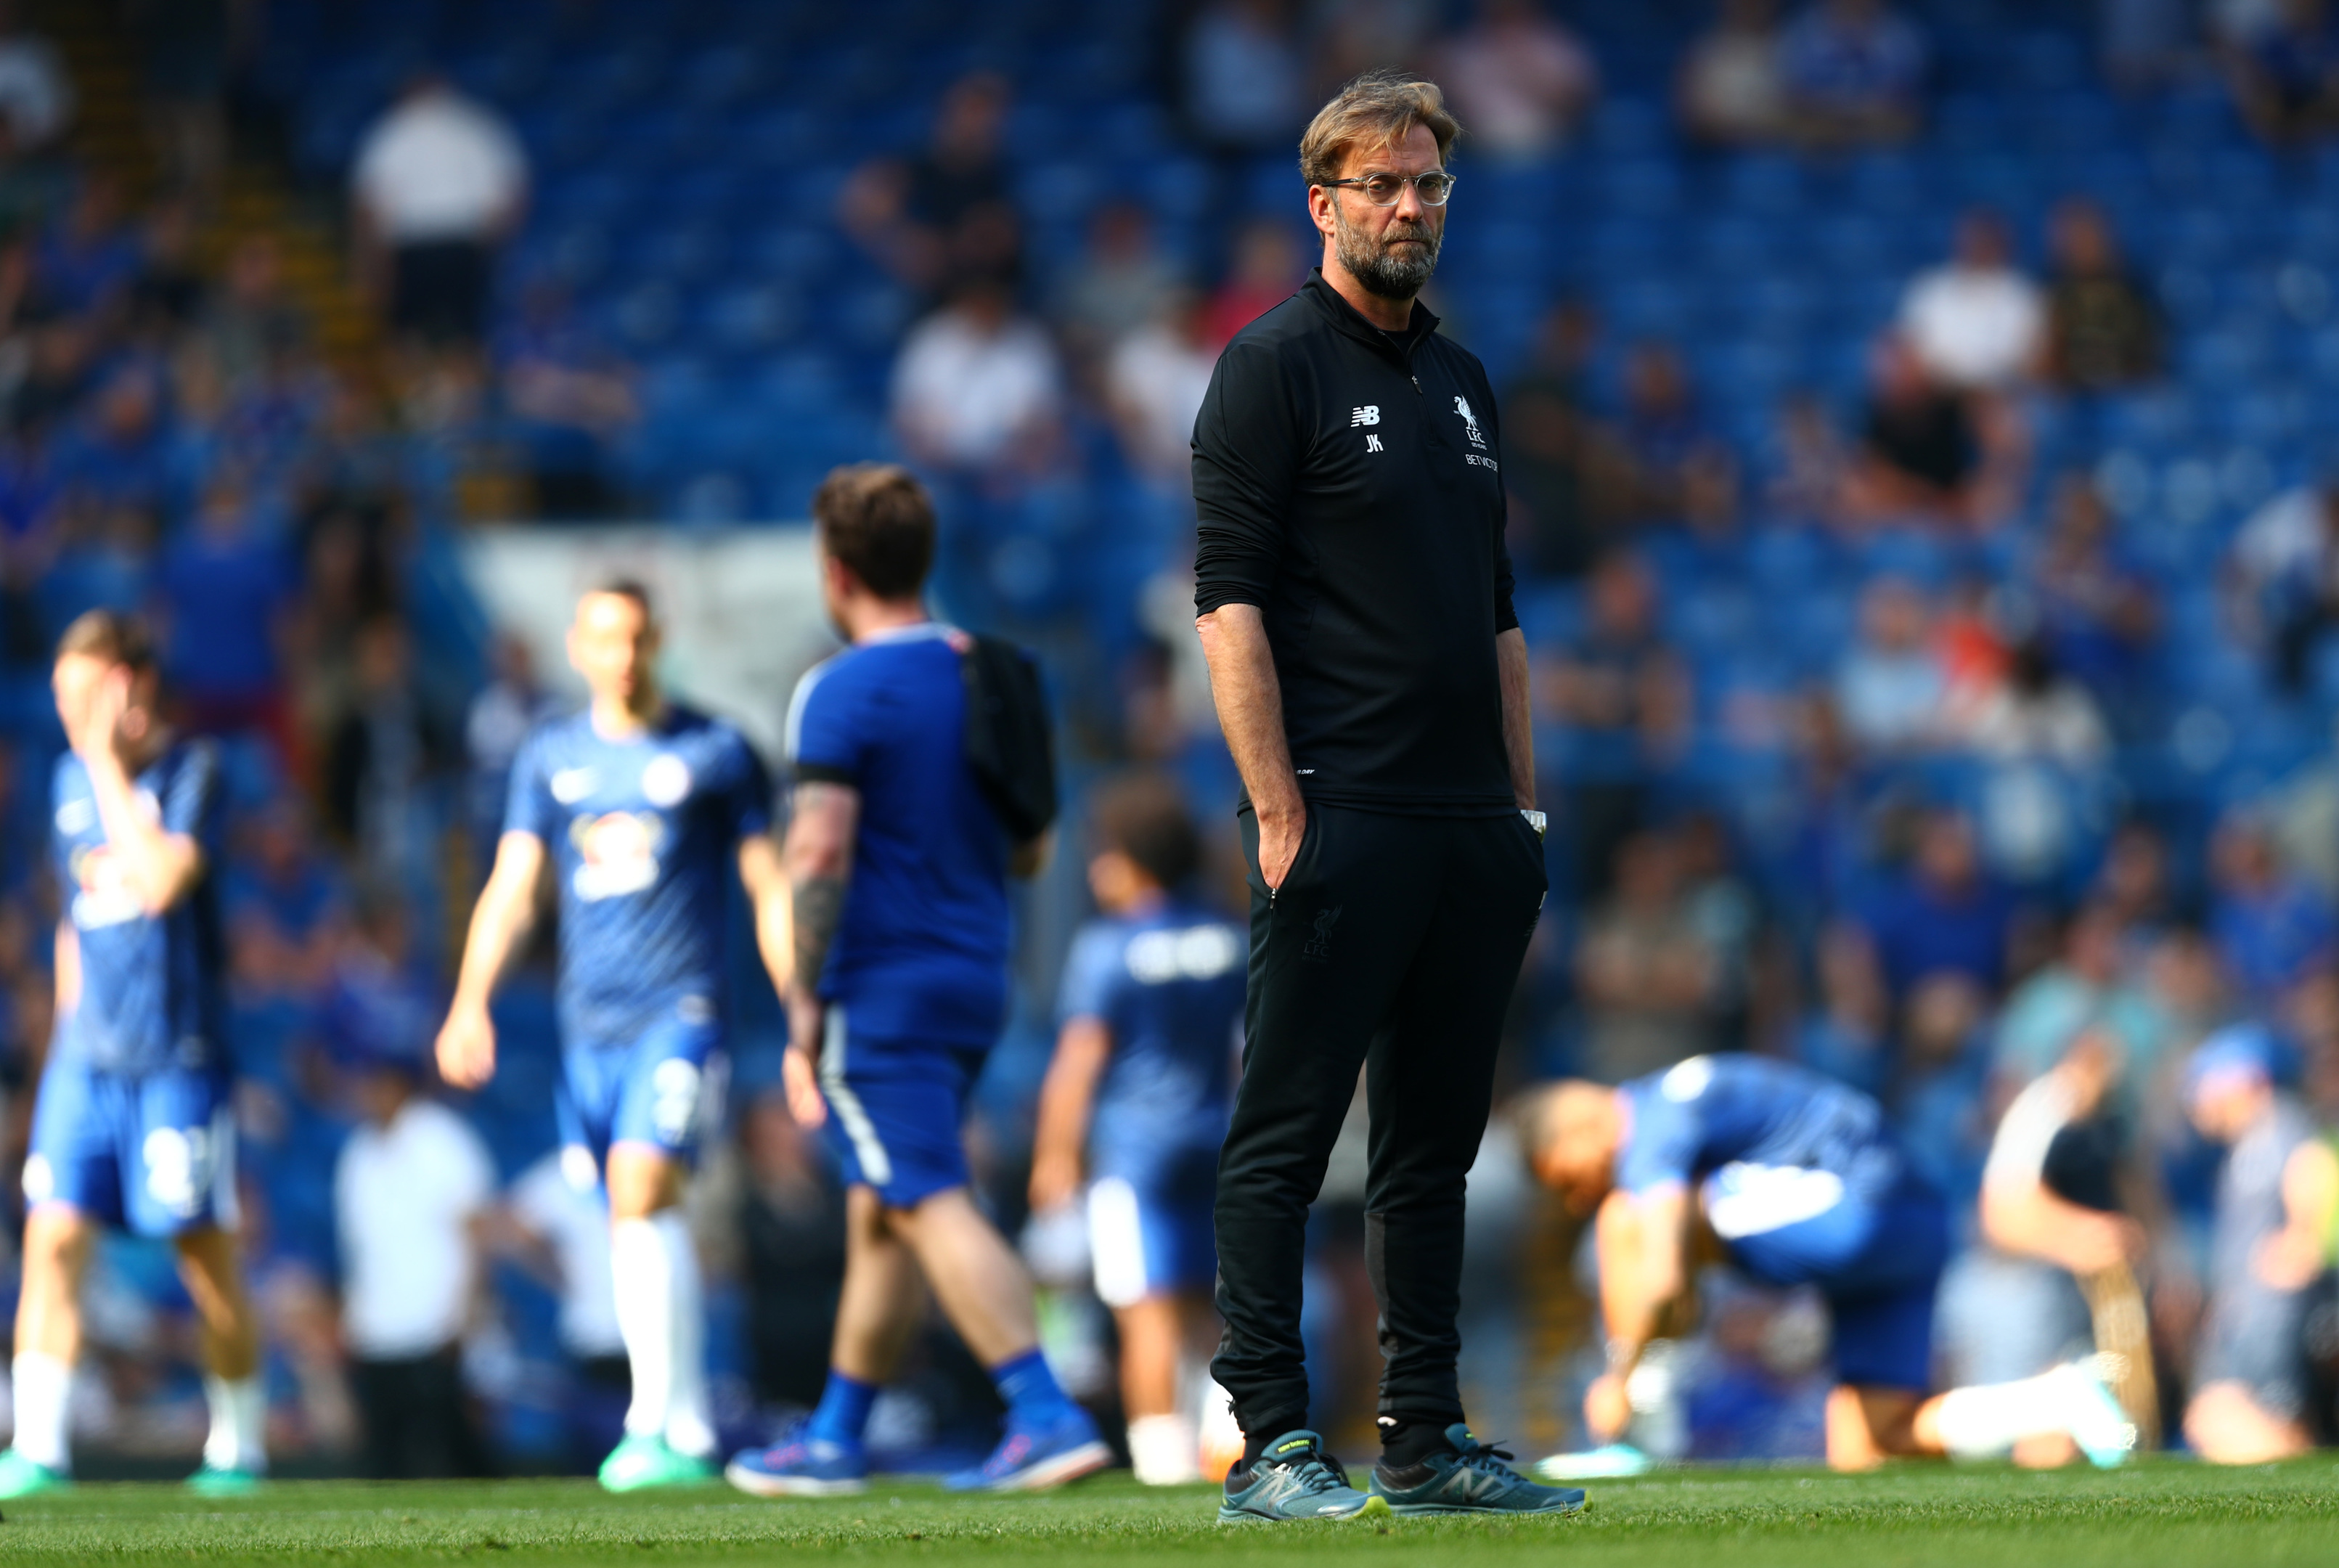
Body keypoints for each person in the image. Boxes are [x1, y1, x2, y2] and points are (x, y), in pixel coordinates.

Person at [1190, 72, 1582, 1522]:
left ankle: (1423, 1441)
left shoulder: (1465, 380)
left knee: (1433, 1155)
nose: (1409, 207)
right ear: (1325, 205)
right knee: (1285, 1137)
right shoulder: (1269, 367)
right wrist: (1282, 815)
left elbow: (1500, 621)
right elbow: (1227, 610)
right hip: (1339, 814)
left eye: (1427, 185)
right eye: (1382, 187)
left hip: (1469, 830)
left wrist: (1521, 816)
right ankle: (1273, 1445)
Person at [724, 463, 1110, 1498]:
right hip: (976, 976)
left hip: (879, 987)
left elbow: (816, 856)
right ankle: (836, 1433)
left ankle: (1041, 1409)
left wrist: (803, 1005)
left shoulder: (839, 688)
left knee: (926, 1194)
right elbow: (1032, 850)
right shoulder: (997, 673)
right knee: (881, 1204)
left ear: (834, 570)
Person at [435, 582, 793, 1490]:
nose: (623, 654)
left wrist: (803, 1008)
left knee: (642, 1189)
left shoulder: (714, 750)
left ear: (658, 641)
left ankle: (655, 1420)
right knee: (636, 1212)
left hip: (680, 1013)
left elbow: (767, 887)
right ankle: (686, 1416)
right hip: (586, 1027)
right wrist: (470, 998)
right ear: (579, 647)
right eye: (605, 637)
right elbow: (512, 887)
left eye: (636, 637)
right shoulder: (551, 756)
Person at [1520, 1055, 2138, 1472]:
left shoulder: (1647, 1125)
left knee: (1627, 1220)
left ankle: (1636, 1434)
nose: (1578, 1196)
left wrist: (1621, 1376)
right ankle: (2059, 1399)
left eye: (1566, 1178)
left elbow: (1662, 1279)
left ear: (1579, 1128)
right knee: (1873, 1441)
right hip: (1916, 1222)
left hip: (1855, 1207)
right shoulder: (1683, 1099)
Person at [0, 611, 266, 1498]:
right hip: (89, 1060)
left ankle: (240, 1446)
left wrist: (110, 762)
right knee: (54, 1237)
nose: (69, 717)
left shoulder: (194, 772)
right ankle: (38, 1450)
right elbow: (78, 921)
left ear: (127, 687)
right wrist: (58, 1056)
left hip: (177, 1059)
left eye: (82, 696)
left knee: (202, 1252)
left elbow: (156, 883)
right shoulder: (67, 782)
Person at [1029, 774, 1244, 1486]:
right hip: (1218, 1143)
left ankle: (1160, 1461)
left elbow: (1078, 1062)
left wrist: (1056, 1155)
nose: (1096, 871)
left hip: (1135, 1154)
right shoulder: (1228, 937)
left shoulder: (1107, 949)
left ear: (1133, 859)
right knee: (1212, 1307)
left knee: (1144, 1312)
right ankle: (1224, 1439)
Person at [333, 1029, 497, 1481]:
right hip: (378, 1332)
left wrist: (468, 1313)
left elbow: (477, 1231)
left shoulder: (441, 1138)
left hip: (435, 1328)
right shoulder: (357, 1153)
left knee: (459, 1455)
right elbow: (357, 1250)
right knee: (387, 1462)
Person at [2181, 1026, 2339, 1461]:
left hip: (2276, 1316)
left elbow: (2315, 1169)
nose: (2198, 1099)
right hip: (2252, 1317)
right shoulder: (2245, 1146)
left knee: (2255, 1423)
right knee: (2217, 1420)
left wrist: (2302, 1236)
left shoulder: (2283, 1126)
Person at [351, 72, 528, 348]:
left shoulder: (393, 129)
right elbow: (510, 196)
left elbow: (370, 205)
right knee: (463, 331)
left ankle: (418, 386)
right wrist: (488, 247)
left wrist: (376, 262)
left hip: (416, 247)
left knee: (411, 333)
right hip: (460, 245)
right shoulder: (478, 126)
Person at [1899, 211, 2044, 393]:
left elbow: (2031, 358)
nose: (1979, 245)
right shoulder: (1930, 288)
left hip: (2003, 394)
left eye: (1986, 239)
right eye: (1974, 238)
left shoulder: (2022, 293)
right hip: (1940, 393)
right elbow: (1912, 353)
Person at [1434, 0, 1600, 158]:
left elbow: (1578, 104)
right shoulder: (1463, 49)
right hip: (1479, 153)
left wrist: (1526, 72)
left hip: (1549, 150)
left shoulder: (1556, 45)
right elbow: (1448, 108)